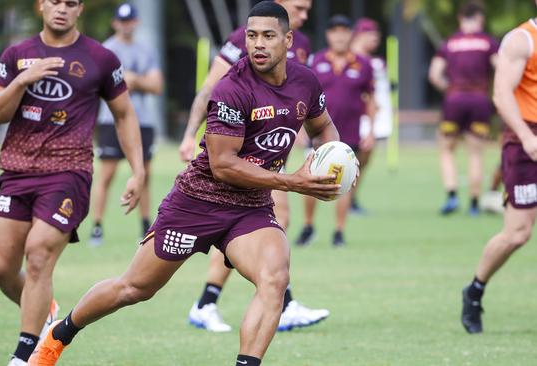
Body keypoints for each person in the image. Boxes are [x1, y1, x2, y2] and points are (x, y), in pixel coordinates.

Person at [30, 3, 342, 365]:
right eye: (251, 36)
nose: (257, 44)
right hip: (197, 204)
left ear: (288, 40)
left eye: (268, 36)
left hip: (251, 209)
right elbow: (224, 166)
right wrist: (291, 181)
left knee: (275, 278)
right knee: (134, 288)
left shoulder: (305, 81)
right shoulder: (232, 89)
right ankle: (59, 334)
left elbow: (322, 127)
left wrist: (334, 158)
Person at [0, 0, 145, 364]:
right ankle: (45, 310)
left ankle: (25, 355)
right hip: (16, 173)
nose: (62, 9)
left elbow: (124, 115)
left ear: (79, 9)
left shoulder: (99, 58)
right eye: (55, 1)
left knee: (39, 254)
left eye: (70, 3)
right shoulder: (17, 54)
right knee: (0, 267)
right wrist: (23, 79)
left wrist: (138, 170)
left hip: (68, 173)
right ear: (41, 5)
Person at [179, 0, 328, 333]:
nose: (305, 15)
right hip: (234, 153)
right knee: (268, 221)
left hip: (272, 151)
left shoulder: (297, 43)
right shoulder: (244, 40)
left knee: (272, 224)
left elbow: (293, 96)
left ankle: (244, 301)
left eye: (306, 10)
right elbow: (211, 88)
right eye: (299, 7)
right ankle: (214, 301)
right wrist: (190, 134)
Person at [461, 9, 537, 334]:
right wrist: (526, 137)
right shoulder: (522, 40)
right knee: (518, 233)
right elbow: (502, 94)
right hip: (526, 139)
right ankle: (475, 290)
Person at [297, 15, 375, 247]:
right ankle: (309, 226)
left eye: (344, 31)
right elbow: (302, 97)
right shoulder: (316, 60)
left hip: (349, 133)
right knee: (311, 178)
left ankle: (339, 231)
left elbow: (370, 99)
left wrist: (370, 130)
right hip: (317, 133)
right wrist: (300, 128)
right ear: (328, 35)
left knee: (344, 180)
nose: (339, 36)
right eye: (335, 31)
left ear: (351, 34)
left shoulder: (363, 64)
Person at [89, 3, 164, 246]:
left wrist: (133, 80)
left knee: (145, 174)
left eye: (130, 20)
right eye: (122, 21)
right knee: (107, 174)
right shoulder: (107, 50)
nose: (126, 25)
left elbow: (157, 85)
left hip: (143, 121)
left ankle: (145, 226)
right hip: (111, 120)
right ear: (115, 23)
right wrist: (125, 83)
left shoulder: (146, 49)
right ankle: (97, 226)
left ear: (137, 22)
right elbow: (98, 87)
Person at [428, 2, 498, 216]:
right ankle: (475, 203)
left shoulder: (450, 43)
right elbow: (502, 68)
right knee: (475, 152)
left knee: (446, 148)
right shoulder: (488, 43)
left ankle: (451, 195)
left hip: (454, 100)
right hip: (479, 100)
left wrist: (449, 89)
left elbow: (434, 74)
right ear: (480, 19)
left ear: (460, 18)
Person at [349, 17, 393, 215]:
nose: (375, 38)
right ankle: (347, 198)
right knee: (354, 159)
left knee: (365, 160)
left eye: (377, 34)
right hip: (357, 117)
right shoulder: (351, 59)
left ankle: (352, 198)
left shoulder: (376, 62)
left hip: (377, 118)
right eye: (370, 34)